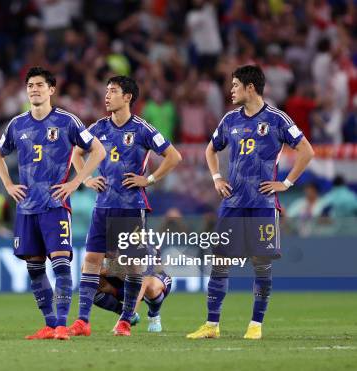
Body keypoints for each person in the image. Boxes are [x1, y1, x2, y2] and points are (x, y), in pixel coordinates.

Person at [187, 65, 314, 340]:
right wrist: (217, 177)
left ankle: (255, 325)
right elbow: (211, 149)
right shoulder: (230, 119)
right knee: (220, 260)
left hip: (262, 204)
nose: (231, 90)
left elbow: (307, 151)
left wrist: (287, 183)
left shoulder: (278, 119)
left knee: (261, 263)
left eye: (235, 85)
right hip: (232, 203)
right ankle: (211, 325)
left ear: (250, 87)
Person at [0, 66, 106, 340]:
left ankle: (62, 326)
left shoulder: (68, 122)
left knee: (61, 264)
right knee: (34, 268)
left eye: (40, 85)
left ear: (52, 89)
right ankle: (50, 324)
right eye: (30, 85)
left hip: (55, 206)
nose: (34, 89)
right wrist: (8, 184)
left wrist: (77, 181)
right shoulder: (17, 124)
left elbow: (98, 151)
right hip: (26, 208)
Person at [68, 76, 182, 337]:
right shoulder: (98, 128)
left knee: (132, 266)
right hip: (103, 205)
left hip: (131, 207)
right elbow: (76, 152)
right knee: (91, 260)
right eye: (106, 91)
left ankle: (125, 322)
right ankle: (82, 321)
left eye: (113, 91)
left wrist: (149, 179)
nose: (107, 95)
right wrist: (85, 178)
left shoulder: (142, 129)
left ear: (128, 97)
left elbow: (174, 156)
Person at [94, 260, 173, 333]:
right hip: (122, 281)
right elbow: (86, 268)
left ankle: (154, 315)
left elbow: (142, 284)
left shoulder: (137, 249)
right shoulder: (103, 247)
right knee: (92, 286)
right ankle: (126, 313)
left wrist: (124, 319)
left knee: (152, 288)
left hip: (150, 279)